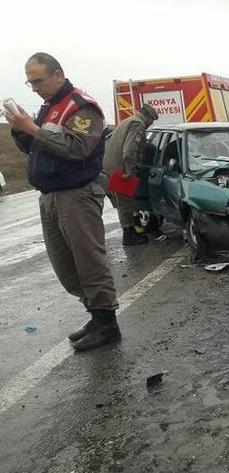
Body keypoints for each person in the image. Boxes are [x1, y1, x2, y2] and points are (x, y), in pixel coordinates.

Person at [5, 52, 120, 351]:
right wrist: (22, 131)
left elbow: (78, 148)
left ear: (58, 74)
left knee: (88, 262)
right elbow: (39, 147)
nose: (35, 88)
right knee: (65, 266)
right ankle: (95, 315)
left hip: (77, 194)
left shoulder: (81, 107)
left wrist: (32, 128)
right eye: (29, 83)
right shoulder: (49, 108)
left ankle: (107, 324)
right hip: (50, 196)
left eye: (39, 81)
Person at [103, 103, 158, 245]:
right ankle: (130, 236)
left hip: (110, 168)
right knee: (127, 205)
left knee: (124, 204)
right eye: (151, 121)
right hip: (121, 170)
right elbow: (129, 150)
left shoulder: (127, 121)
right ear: (148, 117)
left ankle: (133, 233)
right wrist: (129, 171)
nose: (150, 125)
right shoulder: (137, 124)